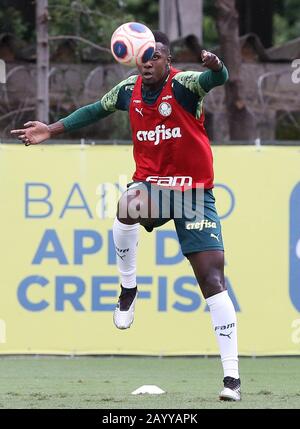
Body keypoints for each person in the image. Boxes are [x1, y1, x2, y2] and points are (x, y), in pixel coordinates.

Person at [11, 30, 241, 402]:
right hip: (152, 187)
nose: (147, 62)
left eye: (155, 56)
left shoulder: (183, 84)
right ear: (134, 58)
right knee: (126, 206)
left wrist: (218, 67)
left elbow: (213, 80)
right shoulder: (127, 90)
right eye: (143, 56)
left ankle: (232, 378)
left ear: (167, 61)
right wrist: (50, 130)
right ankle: (128, 288)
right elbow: (93, 110)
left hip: (194, 193)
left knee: (213, 279)